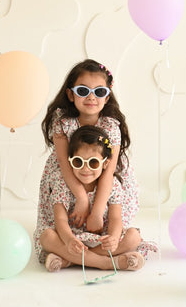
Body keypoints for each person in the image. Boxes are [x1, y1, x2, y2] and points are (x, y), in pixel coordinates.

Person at [39, 59, 139, 235]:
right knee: (57, 229)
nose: (91, 97)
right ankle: (69, 238)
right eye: (83, 91)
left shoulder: (110, 127)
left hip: (104, 180)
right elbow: (63, 163)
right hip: (69, 176)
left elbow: (108, 172)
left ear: (107, 97)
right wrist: (82, 199)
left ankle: (104, 241)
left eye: (99, 91)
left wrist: (97, 211)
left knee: (116, 230)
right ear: (71, 95)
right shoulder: (62, 122)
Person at [34, 125, 144, 272]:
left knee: (134, 237)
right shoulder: (62, 182)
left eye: (93, 163)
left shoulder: (112, 185)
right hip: (71, 237)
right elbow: (60, 220)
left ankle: (70, 261)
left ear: (105, 163)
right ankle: (107, 263)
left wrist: (113, 238)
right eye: (78, 162)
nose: (86, 169)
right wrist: (69, 240)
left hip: (101, 240)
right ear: (70, 160)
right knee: (47, 236)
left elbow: (116, 218)